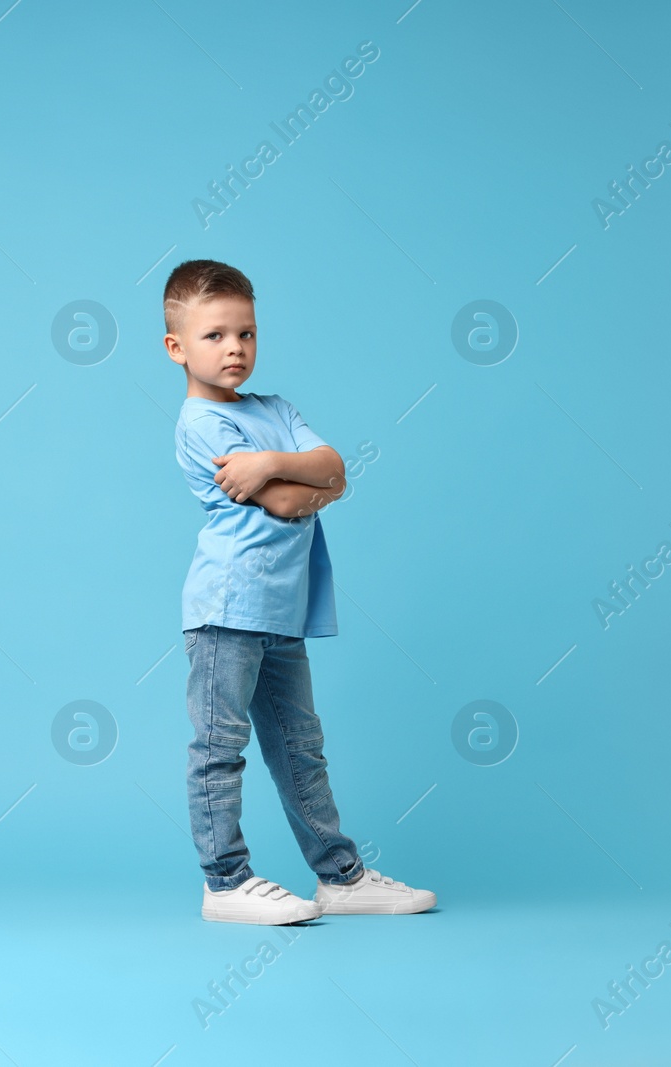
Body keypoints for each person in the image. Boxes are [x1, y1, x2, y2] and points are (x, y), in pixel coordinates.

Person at [164, 258, 436, 925]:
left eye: (246, 334)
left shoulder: (274, 410)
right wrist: (298, 479)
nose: (234, 348)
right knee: (219, 747)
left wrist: (271, 461)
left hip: (282, 612)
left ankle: (339, 876)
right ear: (176, 347)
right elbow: (291, 502)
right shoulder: (200, 426)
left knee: (298, 745)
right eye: (215, 335)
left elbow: (335, 470)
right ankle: (224, 880)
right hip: (227, 611)